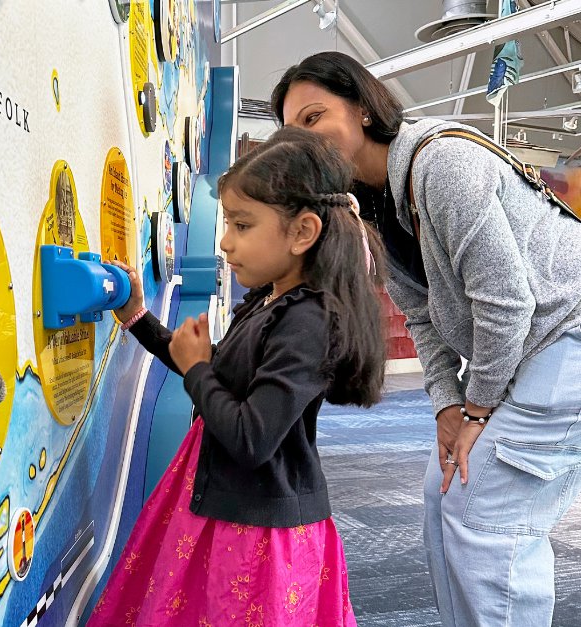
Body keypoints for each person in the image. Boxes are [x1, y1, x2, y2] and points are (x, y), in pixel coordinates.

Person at [271, 50, 581, 626]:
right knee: (445, 491)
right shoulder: (371, 204)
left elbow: (505, 301)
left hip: (568, 333)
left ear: (363, 109)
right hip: (531, 346)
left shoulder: (443, 163)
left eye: (314, 118)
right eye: (292, 131)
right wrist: (446, 405)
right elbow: (420, 313)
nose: (304, 139)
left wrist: (478, 410)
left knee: (489, 511)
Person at [87, 126, 387, 626]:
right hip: (225, 507)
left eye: (242, 225)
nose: (225, 242)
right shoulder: (271, 300)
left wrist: (198, 368)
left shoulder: (308, 321)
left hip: (257, 534)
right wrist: (140, 319)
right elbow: (204, 370)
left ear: (302, 232)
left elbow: (251, 437)